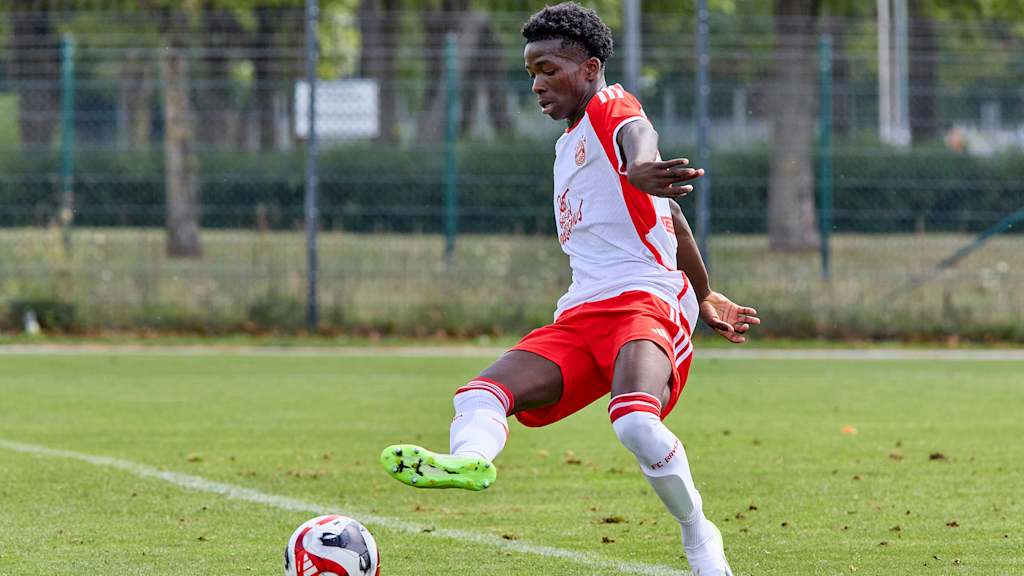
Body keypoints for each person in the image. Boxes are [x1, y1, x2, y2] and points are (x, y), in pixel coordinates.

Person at [380, 3, 759, 574]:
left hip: (645, 303)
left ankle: (699, 536)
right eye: (531, 71)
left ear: (589, 67)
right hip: (581, 315)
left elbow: (639, 132)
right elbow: (672, 222)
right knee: (478, 395)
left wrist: (642, 164)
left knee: (634, 421)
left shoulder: (612, 107)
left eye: (549, 69)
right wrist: (706, 294)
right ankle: (470, 461)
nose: (536, 83)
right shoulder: (566, 147)